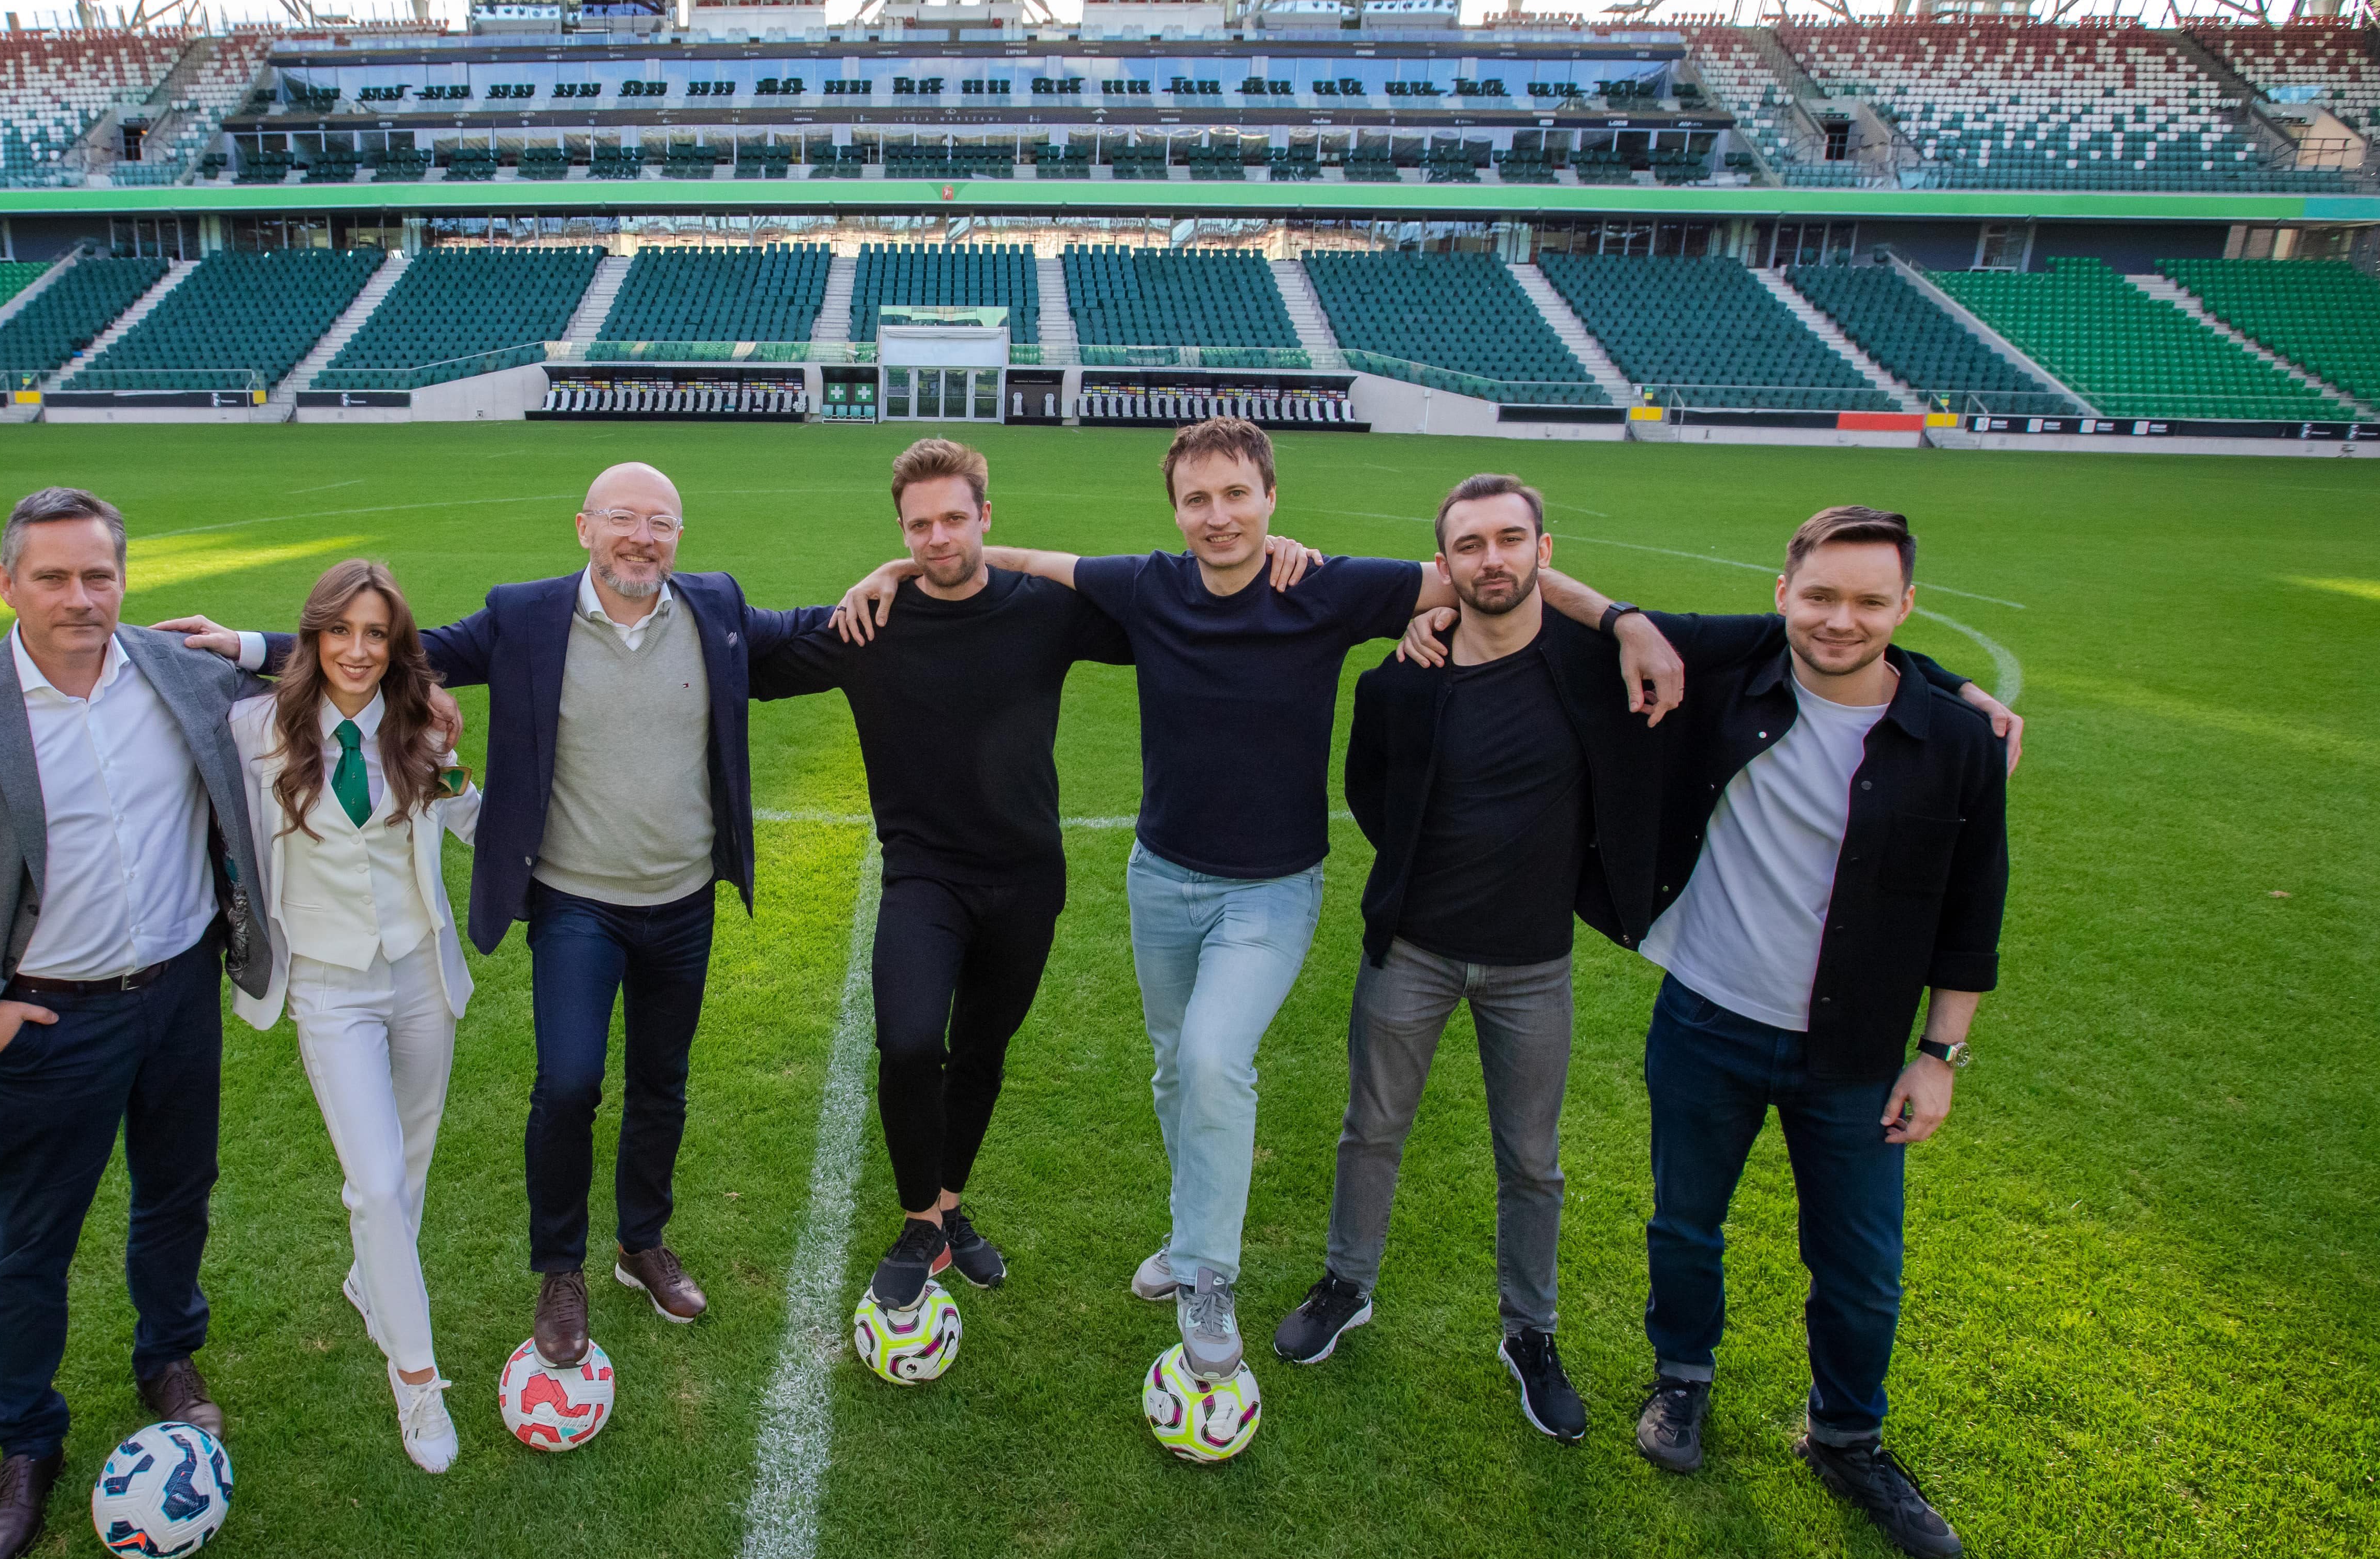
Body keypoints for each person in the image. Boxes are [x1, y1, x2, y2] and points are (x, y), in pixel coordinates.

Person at [838, 418, 1680, 1389]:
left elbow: (1489, 576)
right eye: (1198, 499)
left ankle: (1207, 1277)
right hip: (1161, 881)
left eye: (1236, 495)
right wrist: (893, 573)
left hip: (1272, 891)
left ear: (1271, 498)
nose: (1218, 515)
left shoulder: (1319, 587)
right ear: (1177, 511)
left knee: (1211, 1060)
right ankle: (1189, 1234)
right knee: (1173, 1072)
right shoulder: (1151, 585)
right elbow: (1014, 558)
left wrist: (1625, 621)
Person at [1276, 475, 2021, 1450]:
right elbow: (1372, 791)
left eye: (1513, 540)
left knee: (1533, 1163)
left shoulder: (1601, 665)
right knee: (1371, 1129)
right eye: (1469, 546)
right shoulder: (1403, 679)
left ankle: (1531, 1335)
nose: (1492, 559)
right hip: (1419, 951)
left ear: (1548, 551)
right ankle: (1348, 1285)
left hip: (1541, 964)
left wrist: (1947, 686)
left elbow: (1824, 642)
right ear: (1444, 567)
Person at [166, 463, 829, 1371]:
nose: (643, 537)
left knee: (661, 1083)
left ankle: (642, 1244)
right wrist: (246, 644)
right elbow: (395, 653)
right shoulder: (526, 616)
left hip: (681, 901)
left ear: (680, 537)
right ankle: (560, 1271)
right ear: (584, 528)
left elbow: (807, 637)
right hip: (574, 901)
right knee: (567, 1084)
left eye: (662, 523)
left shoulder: (713, 609)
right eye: (623, 519)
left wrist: (896, 589)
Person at [0, 487, 278, 1559]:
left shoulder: (187, 672)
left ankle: (168, 1359)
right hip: (49, 1021)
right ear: (7, 584)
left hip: (181, 993)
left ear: (124, 579)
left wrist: (416, 705)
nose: (78, 597)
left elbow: (334, 672)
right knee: (32, 1243)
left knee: (177, 1194)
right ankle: (26, 1442)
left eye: (98, 575)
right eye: (52, 576)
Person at [1625, 505, 2010, 1559]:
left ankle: (1847, 1437)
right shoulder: (1738, 670)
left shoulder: (1958, 739)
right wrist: (1619, 618)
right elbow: (1565, 606)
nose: (1843, 619)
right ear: (1784, 591)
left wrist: (1939, 1058)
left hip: (1859, 1049)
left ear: (1906, 607)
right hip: (1707, 1015)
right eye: (1822, 595)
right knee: (1686, 1223)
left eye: (1871, 602)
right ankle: (1682, 1381)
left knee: (1860, 1263)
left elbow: (1976, 911)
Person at [749, 436, 1136, 1308]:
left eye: (954, 519)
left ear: (986, 518)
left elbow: (1167, 609)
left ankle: (949, 1209)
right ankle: (920, 1218)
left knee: (984, 1050)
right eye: (917, 526)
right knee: (913, 1041)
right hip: (925, 880)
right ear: (901, 529)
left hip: (1030, 879)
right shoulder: (872, 625)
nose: (936, 539)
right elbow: (752, 658)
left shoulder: (1045, 609)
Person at [224, 560, 481, 1473]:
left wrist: (456, 779)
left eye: (377, 634)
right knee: (373, 1186)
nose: (359, 652)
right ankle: (417, 1383)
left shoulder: (420, 724)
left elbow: (471, 825)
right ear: (314, 638)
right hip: (328, 987)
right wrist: (231, 643)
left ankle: (371, 1281)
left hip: (419, 973)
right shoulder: (258, 727)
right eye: (341, 632)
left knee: (407, 1170)